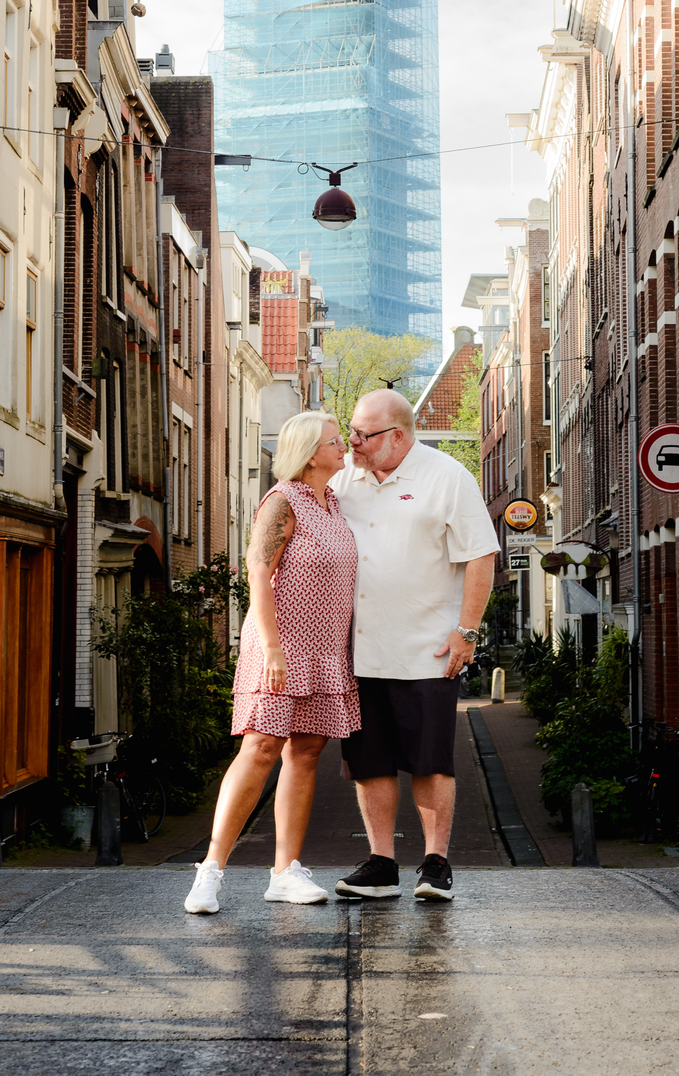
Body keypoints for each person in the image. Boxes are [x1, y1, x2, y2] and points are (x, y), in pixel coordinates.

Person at [184, 411, 360, 915]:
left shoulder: (334, 504)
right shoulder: (283, 501)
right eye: (334, 439)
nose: (343, 443)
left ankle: (285, 871)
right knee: (260, 750)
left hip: (325, 650)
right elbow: (258, 575)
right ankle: (210, 872)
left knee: (305, 755)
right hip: (280, 648)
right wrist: (273, 648)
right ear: (309, 452)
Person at [329, 386, 499, 904]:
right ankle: (381, 862)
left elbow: (480, 556)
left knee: (431, 761)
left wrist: (466, 631)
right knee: (369, 762)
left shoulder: (448, 477)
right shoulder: (341, 481)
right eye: (352, 430)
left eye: (363, 433)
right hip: (357, 651)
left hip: (428, 647)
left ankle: (436, 862)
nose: (352, 441)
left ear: (397, 436)